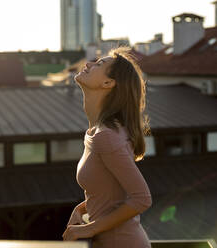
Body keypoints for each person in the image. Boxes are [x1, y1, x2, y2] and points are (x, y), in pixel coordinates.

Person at [62, 46, 153, 248]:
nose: (88, 64)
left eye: (99, 64)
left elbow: (142, 199)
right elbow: (111, 195)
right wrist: (81, 209)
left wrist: (87, 229)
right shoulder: (97, 131)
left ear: (108, 83)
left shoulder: (107, 136)